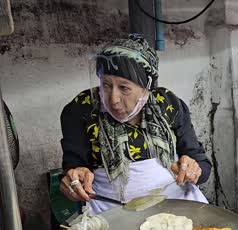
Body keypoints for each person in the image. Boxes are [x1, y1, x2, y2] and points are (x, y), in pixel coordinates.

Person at [59, 34, 211, 214]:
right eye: (106, 85)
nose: (113, 99)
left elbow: (202, 163)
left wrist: (194, 169)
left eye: (124, 88)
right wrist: (73, 179)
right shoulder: (81, 110)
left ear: (146, 88)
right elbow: (72, 169)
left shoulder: (168, 104)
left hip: (177, 204)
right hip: (111, 211)